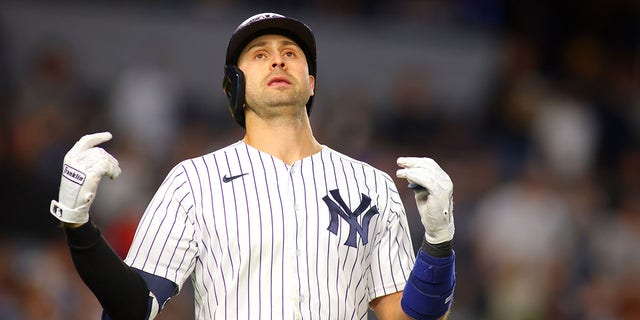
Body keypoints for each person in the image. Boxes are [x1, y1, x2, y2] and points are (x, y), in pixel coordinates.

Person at [49, 13, 456, 320]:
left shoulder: (373, 185)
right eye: (260, 54)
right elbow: (133, 308)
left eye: (290, 53)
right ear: (235, 86)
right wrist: (77, 224)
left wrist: (438, 244)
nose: (278, 61)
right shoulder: (193, 182)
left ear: (311, 82)